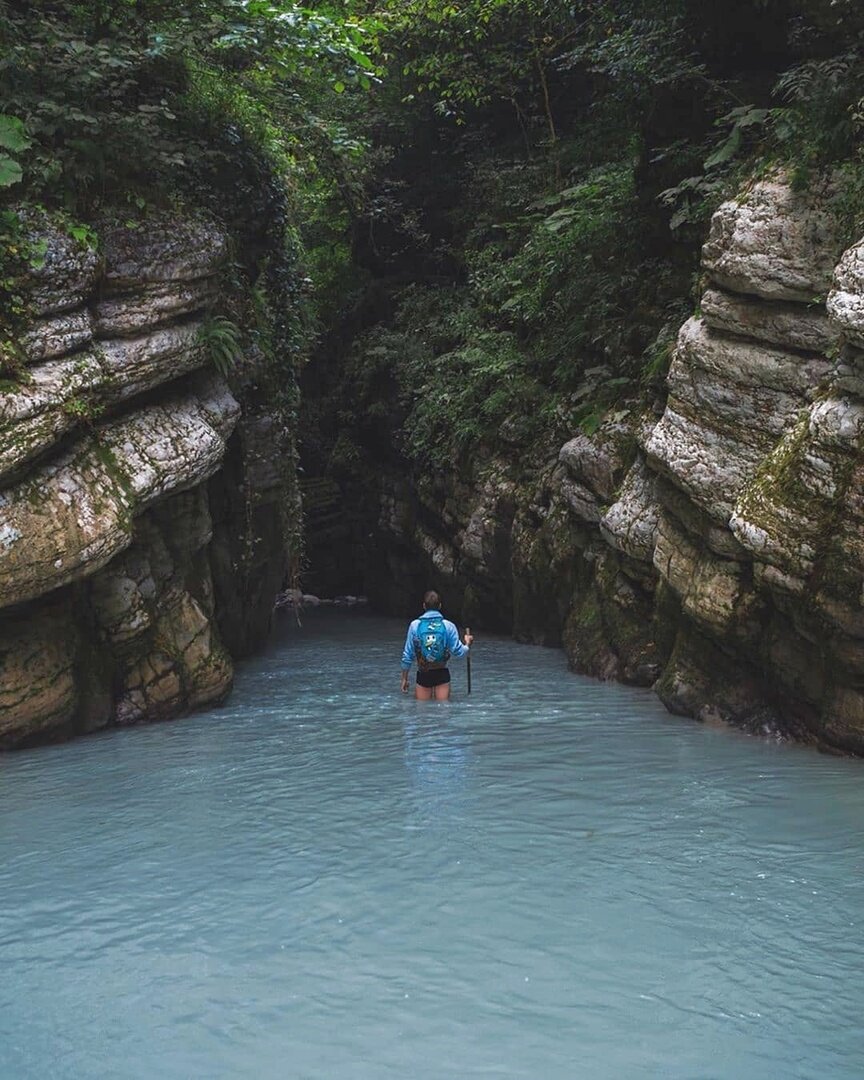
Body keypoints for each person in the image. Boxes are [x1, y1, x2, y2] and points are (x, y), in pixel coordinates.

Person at [400, 590, 473, 701]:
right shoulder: (448, 626)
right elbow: (459, 652)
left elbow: (407, 655)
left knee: (422, 712)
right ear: (440, 606)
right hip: (441, 673)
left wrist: (404, 679)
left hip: (423, 673)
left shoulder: (415, 625)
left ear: (424, 606)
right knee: (442, 712)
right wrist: (467, 643)